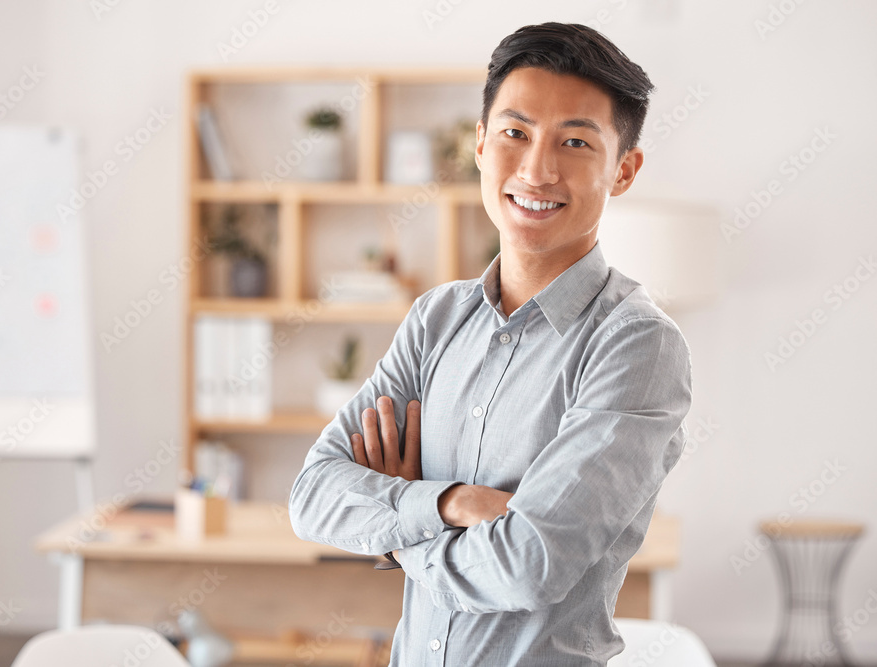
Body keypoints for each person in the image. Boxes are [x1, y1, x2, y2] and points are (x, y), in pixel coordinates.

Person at [288, 22, 693, 666]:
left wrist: (397, 536)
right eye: (515, 133)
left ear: (624, 171)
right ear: (480, 145)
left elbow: (528, 565)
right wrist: (451, 503)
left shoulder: (637, 346)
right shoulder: (436, 320)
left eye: (576, 142)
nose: (537, 169)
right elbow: (313, 496)